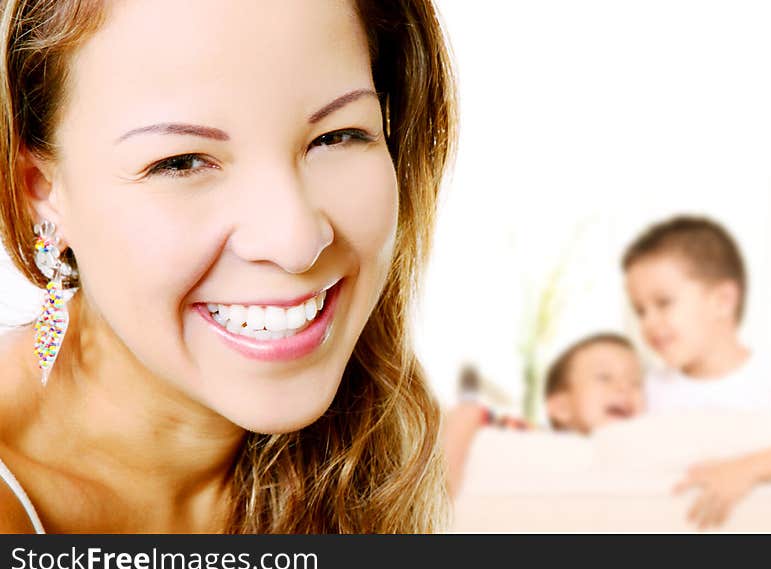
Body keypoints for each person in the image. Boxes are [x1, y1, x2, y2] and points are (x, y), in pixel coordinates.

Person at [0, 0, 457, 533]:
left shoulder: (387, 436)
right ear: (39, 190)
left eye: (336, 136)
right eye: (182, 162)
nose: (295, 241)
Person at [623, 215, 771, 529]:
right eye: (639, 310)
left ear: (722, 301)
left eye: (663, 303)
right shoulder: (648, 387)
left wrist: (746, 469)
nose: (649, 322)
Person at [444, 333, 645, 496]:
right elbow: (468, 413)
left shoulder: (647, 452)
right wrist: (445, 492)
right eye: (604, 377)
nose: (624, 387)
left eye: (636, 382)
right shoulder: (535, 436)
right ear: (561, 407)